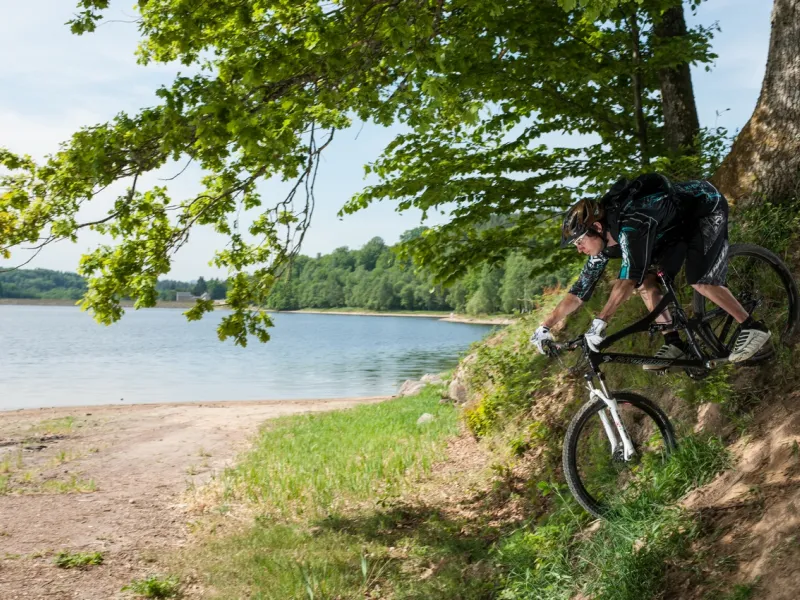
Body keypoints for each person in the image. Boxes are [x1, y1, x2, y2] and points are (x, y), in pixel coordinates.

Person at [530, 173, 771, 366]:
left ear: (596, 227)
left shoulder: (631, 224)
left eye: (580, 241)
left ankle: (752, 326)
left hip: (703, 210)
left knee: (700, 280)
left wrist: (601, 321)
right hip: (670, 230)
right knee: (647, 283)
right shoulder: (604, 242)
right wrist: (545, 326)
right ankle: (675, 342)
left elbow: (627, 278)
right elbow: (579, 290)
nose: (579, 249)